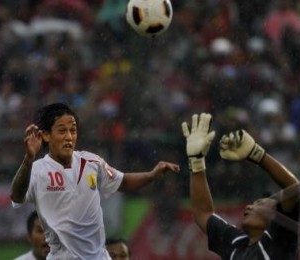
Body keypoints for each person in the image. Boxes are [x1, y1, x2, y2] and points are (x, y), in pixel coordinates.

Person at [10, 102, 180, 260]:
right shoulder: (38, 170)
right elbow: (17, 196)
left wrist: (151, 175)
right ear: (46, 135)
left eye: (73, 130)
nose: (69, 137)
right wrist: (28, 158)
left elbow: (122, 181)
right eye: (62, 131)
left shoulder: (92, 162)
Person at [181, 113, 300, 259]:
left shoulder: (281, 241)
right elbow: (202, 213)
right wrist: (196, 162)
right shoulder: (235, 243)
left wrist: (256, 154)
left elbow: (292, 188)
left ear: (276, 218)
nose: (250, 206)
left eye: (260, 204)